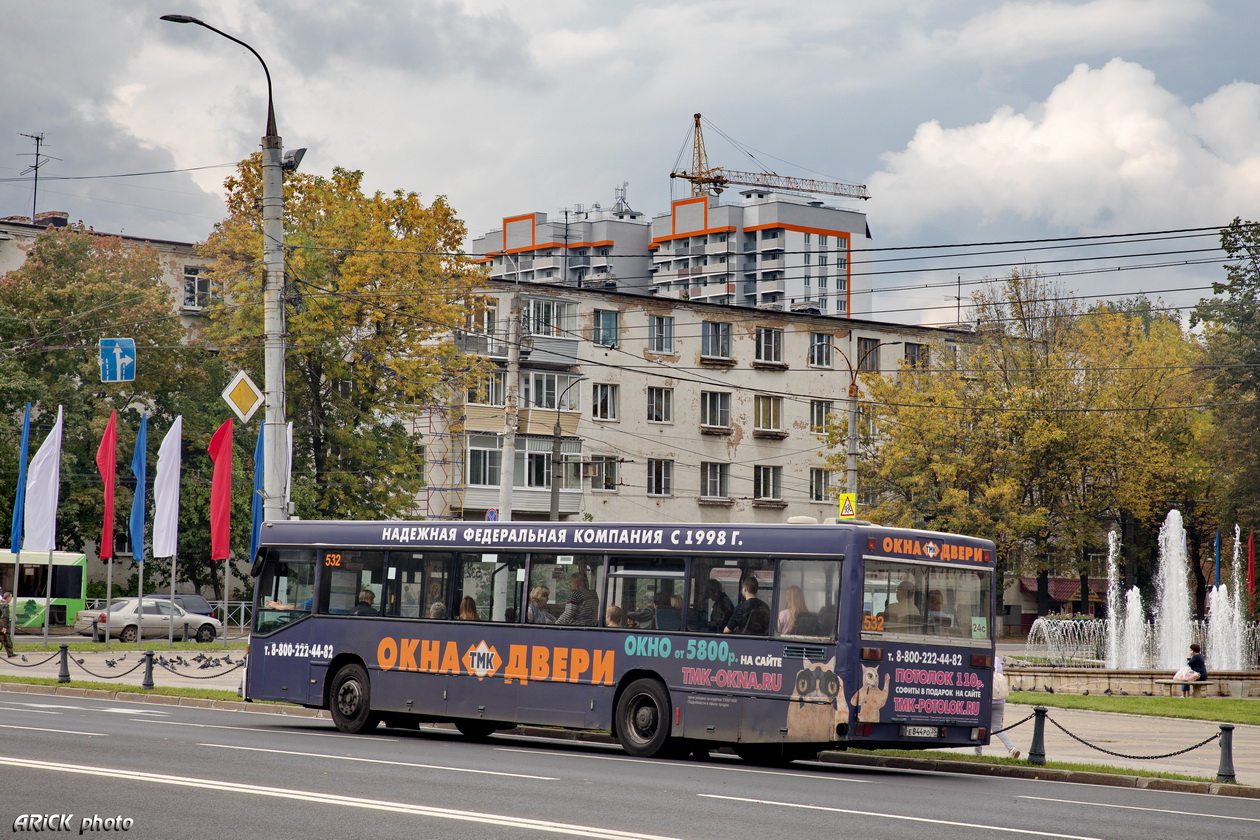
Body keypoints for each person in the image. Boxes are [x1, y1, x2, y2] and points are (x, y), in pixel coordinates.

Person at [975, 655, 1019, 759]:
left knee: (979, 727)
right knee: (997, 728)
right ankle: (1012, 748)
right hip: (1000, 701)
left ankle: (978, 754)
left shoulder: (982, 658)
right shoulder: (997, 660)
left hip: (986, 700)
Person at [0, 591, 15, 658]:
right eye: (11, 596)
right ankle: (10, 654)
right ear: (8, 597)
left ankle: (10, 653)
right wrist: (4, 627)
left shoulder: (1, 603)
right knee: (6, 639)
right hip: (2, 625)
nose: (11, 598)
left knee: (4, 639)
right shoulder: (5, 605)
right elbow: (4, 617)